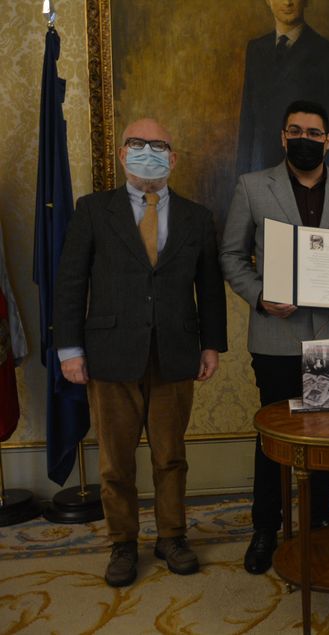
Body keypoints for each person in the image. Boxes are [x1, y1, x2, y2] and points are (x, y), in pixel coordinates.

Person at [54, 118, 228, 587]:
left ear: (172, 158)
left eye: (158, 145)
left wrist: (211, 344)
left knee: (171, 456)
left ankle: (172, 536)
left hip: (175, 352)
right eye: (137, 143)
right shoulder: (93, 210)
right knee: (115, 462)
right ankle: (123, 543)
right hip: (109, 353)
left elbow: (209, 288)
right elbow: (71, 282)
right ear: (121, 152)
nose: (147, 151)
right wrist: (69, 349)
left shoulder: (196, 216)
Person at [220, 100, 329, 574]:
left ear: (328, 141)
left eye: (314, 132)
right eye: (296, 131)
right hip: (276, 337)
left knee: (325, 434)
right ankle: (265, 527)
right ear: (283, 136)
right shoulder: (253, 186)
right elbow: (230, 254)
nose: (304, 138)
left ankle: (320, 518)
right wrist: (261, 295)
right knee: (274, 439)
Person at [237, 0, 329, 176]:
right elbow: (248, 121)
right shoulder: (256, 49)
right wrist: (241, 177)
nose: (287, 2)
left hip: (304, 175)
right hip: (259, 173)